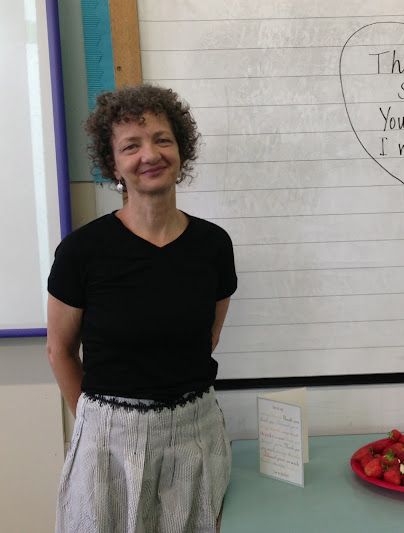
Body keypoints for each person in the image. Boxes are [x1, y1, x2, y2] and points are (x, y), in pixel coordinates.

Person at [46, 84, 237, 532]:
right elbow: (59, 351)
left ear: (181, 150)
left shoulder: (213, 245)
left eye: (162, 139)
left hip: (196, 436)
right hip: (108, 447)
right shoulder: (81, 251)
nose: (150, 154)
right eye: (131, 146)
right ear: (114, 164)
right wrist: (99, 426)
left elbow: (207, 337)